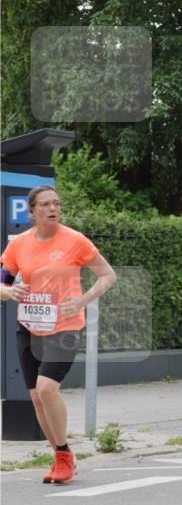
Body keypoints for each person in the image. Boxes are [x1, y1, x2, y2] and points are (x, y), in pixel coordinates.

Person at [0, 185, 116, 484]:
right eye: (46, 204)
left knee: (48, 388)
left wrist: (82, 300)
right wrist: (9, 290)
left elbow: (108, 275)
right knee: (37, 398)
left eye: (57, 204)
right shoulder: (19, 245)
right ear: (32, 211)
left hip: (64, 326)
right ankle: (61, 457)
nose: (53, 209)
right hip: (29, 326)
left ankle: (63, 454)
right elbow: (1, 281)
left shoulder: (75, 240)